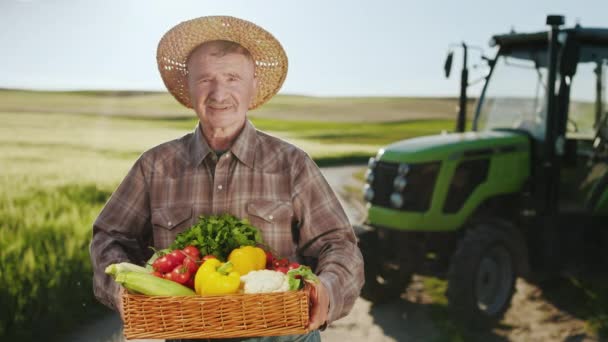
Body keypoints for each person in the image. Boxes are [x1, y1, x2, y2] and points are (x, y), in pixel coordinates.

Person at [90, 15, 364, 342]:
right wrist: (121, 290)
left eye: (233, 77)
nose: (219, 93)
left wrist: (328, 290)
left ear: (253, 87)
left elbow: (339, 245)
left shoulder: (291, 164)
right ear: (189, 88)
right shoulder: (155, 166)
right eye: (205, 79)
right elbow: (109, 236)